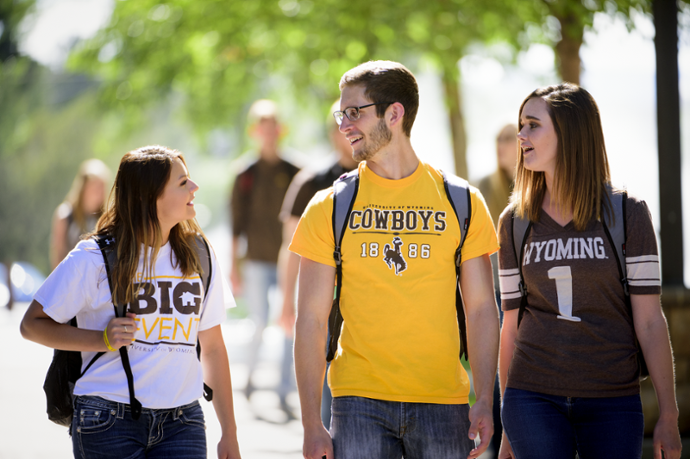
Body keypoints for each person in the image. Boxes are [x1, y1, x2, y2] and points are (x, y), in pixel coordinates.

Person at [290, 61, 500, 459]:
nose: (344, 124)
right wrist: (310, 423)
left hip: (443, 401)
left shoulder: (462, 201)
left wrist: (485, 398)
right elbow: (311, 320)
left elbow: (481, 309)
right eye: (341, 114)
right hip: (357, 403)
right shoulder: (329, 206)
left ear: (394, 113)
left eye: (355, 112)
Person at [497, 84, 682, 459]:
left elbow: (649, 321)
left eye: (533, 125)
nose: (521, 135)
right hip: (531, 397)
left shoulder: (628, 214)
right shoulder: (514, 221)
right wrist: (507, 430)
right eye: (521, 124)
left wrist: (669, 414)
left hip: (613, 400)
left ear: (570, 133)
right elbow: (510, 325)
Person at [21, 146, 242, 459]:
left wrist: (229, 433)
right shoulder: (93, 257)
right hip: (107, 420)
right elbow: (31, 324)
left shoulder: (200, 255)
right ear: (147, 196)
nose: (194, 188)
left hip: (184, 422)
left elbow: (214, 348)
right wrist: (102, 339)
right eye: (182, 183)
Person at [277, 100, 359, 426]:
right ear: (332, 133)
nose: (347, 131)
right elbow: (291, 247)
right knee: (327, 398)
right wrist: (286, 303)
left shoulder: (384, 178)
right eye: (341, 123)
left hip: (366, 299)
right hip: (324, 298)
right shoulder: (310, 181)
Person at [229, 99, 299, 410]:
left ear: (281, 130)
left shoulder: (296, 171)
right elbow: (235, 225)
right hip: (255, 260)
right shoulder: (245, 173)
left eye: (273, 126)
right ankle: (250, 379)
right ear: (254, 131)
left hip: (291, 261)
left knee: (289, 323)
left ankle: (285, 388)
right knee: (258, 322)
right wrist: (233, 266)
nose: (269, 132)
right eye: (263, 126)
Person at [475, 123, 517, 459]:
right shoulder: (485, 186)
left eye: (509, 139)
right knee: (495, 371)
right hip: (492, 291)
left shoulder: (538, 183)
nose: (503, 146)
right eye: (499, 140)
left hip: (527, 293)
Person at [50, 159, 111, 270]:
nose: (100, 192)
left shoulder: (105, 218)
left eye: (102, 187)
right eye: (96, 187)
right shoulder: (65, 216)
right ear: (83, 187)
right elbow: (58, 257)